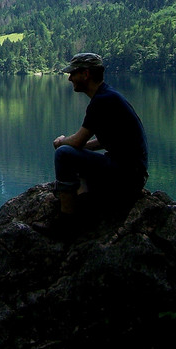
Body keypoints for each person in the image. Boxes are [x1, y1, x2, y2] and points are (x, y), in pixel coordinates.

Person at [37, 52, 148, 238]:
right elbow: (104, 142)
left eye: (73, 73)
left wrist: (61, 142)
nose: (70, 78)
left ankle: (66, 224)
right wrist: (77, 147)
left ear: (86, 74)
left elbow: (78, 140)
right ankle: (86, 203)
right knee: (72, 153)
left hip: (127, 176)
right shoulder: (108, 96)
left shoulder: (102, 101)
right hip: (133, 172)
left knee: (63, 154)